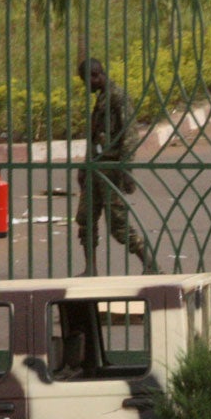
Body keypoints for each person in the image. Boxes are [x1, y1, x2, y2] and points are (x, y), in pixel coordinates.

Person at [75, 58, 156, 276]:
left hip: (111, 169)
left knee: (118, 224)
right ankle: (90, 269)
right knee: (86, 218)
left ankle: (149, 263)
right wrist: (84, 168)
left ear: (96, 75)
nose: (86, 87)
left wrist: (126, 169)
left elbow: (129, 135)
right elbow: (94, 140)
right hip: (95, 168)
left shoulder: (118, 98)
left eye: (87, 81)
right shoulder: (102, 98)